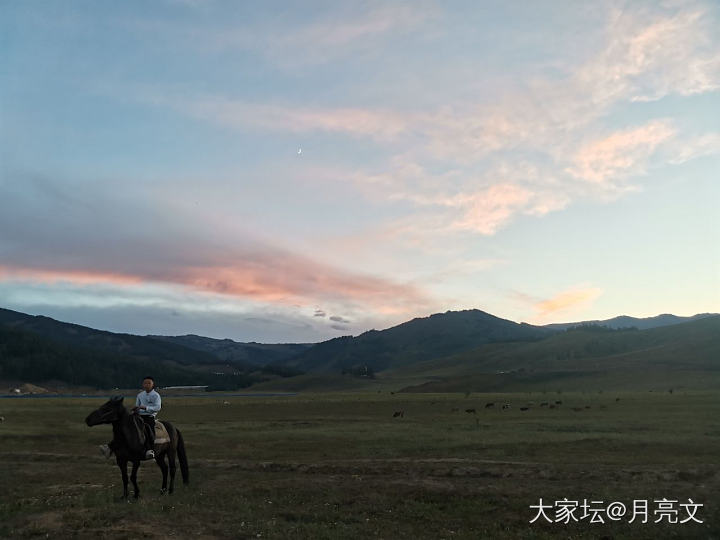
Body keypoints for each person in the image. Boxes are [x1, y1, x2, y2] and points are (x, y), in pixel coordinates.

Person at [99, 376, 161, 460]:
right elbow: (137, 405)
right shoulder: (140, 395)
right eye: (145, 383)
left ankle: (150, 450)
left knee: (149, 429)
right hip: (138, 415)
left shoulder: (156, 395)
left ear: (153, 385)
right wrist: (135, 409)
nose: (146, 385)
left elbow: (157, 407)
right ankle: (109, 447)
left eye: (149, 383)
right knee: (124, 428)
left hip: (149, 416)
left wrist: (145, 408)